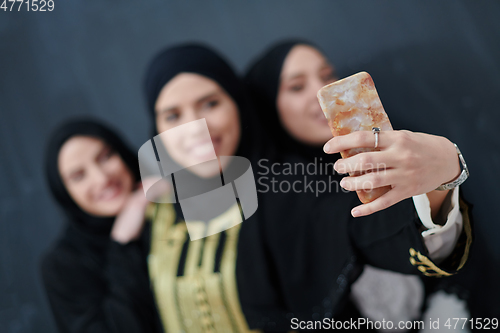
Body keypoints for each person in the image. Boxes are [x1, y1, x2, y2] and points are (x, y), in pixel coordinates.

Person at [142, 43, 471, 332]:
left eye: (210, 104)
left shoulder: (291, 185)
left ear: (238, 105)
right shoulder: (157, 213)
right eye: (172, 116)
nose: (195, 128)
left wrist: (443, 173)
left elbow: (378, 231)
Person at [245, 39, 473, 329]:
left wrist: (444, 173)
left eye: (327, 76)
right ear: (268, 104)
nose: (320, 93)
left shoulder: (396, 152)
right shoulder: (277, 192)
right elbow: (369, 232)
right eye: (296, 86)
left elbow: (458, 260)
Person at [41, 119, 163, 333]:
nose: (102, 178)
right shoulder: (63, 264)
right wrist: (123, 242)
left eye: (106, 157)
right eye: (78, 176)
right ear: (64, 192)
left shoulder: (170, 207)